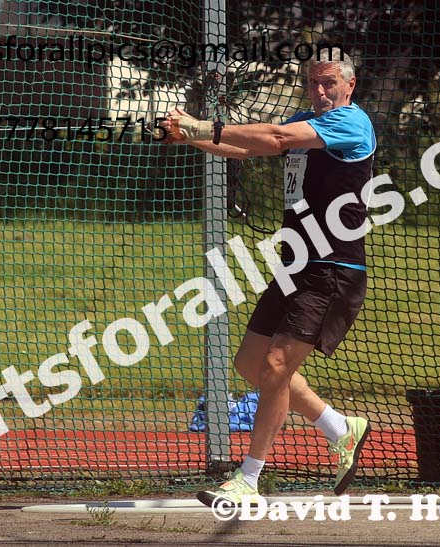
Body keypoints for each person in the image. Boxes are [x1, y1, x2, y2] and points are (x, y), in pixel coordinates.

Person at [160, 47, 376, 507]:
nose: (320, 91)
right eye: (313, 83)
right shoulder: (308, 120)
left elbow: (276, 138)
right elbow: (249, 145)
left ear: (349, 86)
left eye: (329, 83)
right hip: (294, 262)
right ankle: (341, 427)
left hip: (332, 269)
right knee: (249, 365)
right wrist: (190, 137)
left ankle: (248, 478)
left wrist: (200, 125)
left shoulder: (350, 123)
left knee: (277, 367)